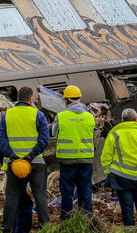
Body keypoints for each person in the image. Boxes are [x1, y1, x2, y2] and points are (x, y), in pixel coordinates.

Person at [0, 86, 50, 233]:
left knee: (12, 197)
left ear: (18, 99)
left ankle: (7, 228)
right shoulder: (38, 115)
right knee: (40, 196)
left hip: (14, 164)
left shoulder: (7, 115)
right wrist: (31, 155)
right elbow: (44, 138)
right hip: (35, 163)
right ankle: (45, 227)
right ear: (30, 99)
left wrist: (12, 155)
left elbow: (1, 139)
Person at [100, 108, 137, 226]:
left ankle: (129, 229)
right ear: (136, 120)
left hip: (121, 177)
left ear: (122, 120)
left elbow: (105, 156)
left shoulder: (114, 135)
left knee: (126, 208)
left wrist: (109, 173)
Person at [51, 85, 95, 220]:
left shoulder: (61, 116)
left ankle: (67, 219)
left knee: (67, 190)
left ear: (66, 101)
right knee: (85, 189)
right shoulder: (89, 117)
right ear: (80, 99)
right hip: (86, 159)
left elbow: (54, 133)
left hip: (67, 160)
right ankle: (86, 219)